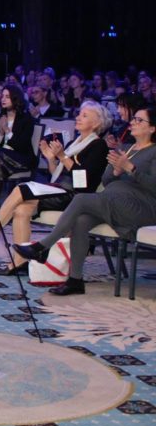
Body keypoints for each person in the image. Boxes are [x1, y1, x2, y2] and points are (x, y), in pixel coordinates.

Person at [15, 104, 156, 296]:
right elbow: (106, 180)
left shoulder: (153, 151)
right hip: (114, 201)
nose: (133, 122)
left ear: (152, 128)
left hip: (142, 207)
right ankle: (75, 280)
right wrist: (116, 171)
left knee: (81, 199)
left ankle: (43, 246)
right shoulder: (126, 148)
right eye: (134, 119)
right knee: (81, 221)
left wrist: (131, 169)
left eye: (139, 120)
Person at [0, 101, 111, 274]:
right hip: (59, 190)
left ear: (96, 123)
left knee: (21, 189)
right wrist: (51, 158)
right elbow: (56, 175)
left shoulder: (98, 146)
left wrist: (62, 156)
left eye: (84, 115)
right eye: (79, 113)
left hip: (77, 197)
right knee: (21, 209)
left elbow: (83, 182)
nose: (78, 117)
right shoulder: (75, 143)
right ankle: (19, 263)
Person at [0, 84, 37, 208]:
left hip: (21, 158)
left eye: (7, 97)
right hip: (0, 160)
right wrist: (1, 133)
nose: (3, 99)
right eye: (2, 96)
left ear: (15, 99)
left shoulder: (26, 119)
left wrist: (7, 130)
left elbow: (22, 145)